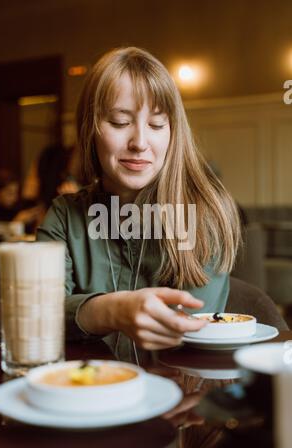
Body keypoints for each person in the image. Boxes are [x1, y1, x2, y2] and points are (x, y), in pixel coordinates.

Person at [37, 47, 241, 362]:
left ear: (174, 134)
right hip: (85, 396)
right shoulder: (64, 216)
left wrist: (83, 310)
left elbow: (188, 336)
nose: (140, 143)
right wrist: (109, 311)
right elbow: (34, 316)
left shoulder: (204, 214)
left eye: (157, 125)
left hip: (180, 396)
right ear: (91, 129)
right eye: (120, 123)